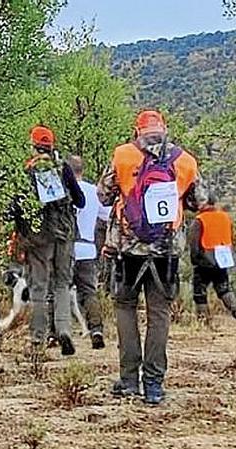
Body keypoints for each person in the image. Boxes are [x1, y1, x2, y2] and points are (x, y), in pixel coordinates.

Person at [98, 110, 207, 405]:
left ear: (137, 131)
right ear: (165, 129)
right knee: (159, 314)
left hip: (127, 249)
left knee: (125, 307)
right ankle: (155, 385)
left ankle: (129, 380)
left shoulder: (122, 155)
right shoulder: (185, 160)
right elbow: (200, 202)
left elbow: (104, 196)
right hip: (166, 250)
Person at [8, 126, 85, 357]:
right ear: (52, 145)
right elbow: (80, 201)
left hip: (38, 238)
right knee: (62, 284)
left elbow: (13, 208)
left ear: (33, 145)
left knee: (38, 288)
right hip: (64, 235)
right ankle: (63, 330)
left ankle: (37, 339)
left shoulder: (27, 170)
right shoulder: (63, 168)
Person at [70, 156, 107, 349]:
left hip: (65, 250)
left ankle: (54, 333)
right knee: (89, 292)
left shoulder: (61, 191)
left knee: (57, 291)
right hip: (87, 248)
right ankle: (96, 329)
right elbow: (107, 215)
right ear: (82, 169)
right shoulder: (93, 192)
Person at [188, 194, 236, 321]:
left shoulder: (200, 220)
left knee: (200, 292)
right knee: (224, 289)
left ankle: (203, 320)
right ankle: (235, 309)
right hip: (223, 258)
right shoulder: (225, 217)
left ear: (206, 203)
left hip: (204, 259)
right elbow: (232, 238)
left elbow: (194, 244)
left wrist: (194, 260)